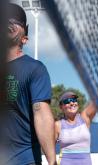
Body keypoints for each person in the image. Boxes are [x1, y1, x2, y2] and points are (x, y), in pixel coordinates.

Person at [2, 3, 57, 165]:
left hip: (24, 160)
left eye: (15, 21)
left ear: (25, 39)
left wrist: (52, 161)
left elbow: (41, 114)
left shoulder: (35, 69)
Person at [55, 91, 98, 165]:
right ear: (61, 107)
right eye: (67, 101)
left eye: (74, 100)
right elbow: (48, 147)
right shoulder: (58, 125)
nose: (72, 103)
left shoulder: (84, 118)